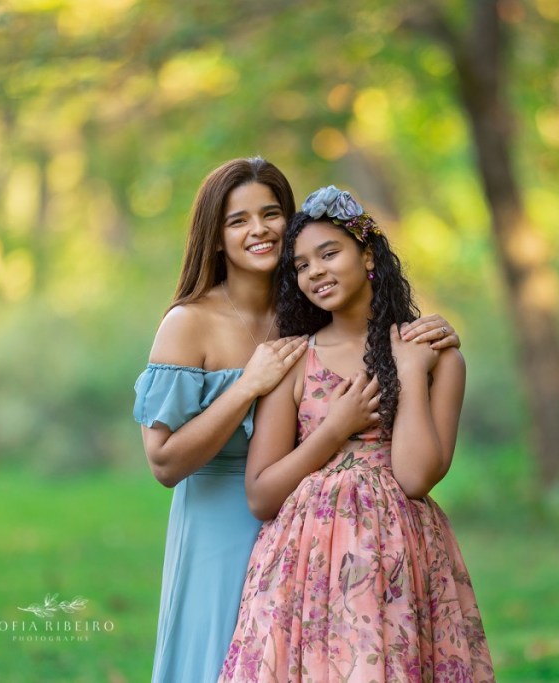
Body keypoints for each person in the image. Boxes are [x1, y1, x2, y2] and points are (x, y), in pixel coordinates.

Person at [132, 159, 462, 683]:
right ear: (214, 238)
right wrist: (247, 385)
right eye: (237, 220)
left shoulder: (306, 316)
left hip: (320, 535)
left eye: (270, 214)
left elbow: (364, 329)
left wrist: (429, 334)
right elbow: (164, 462)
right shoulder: (188, 322)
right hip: (222, 520)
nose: (258, 229)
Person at [218, 185, 494, 683]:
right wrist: (333, 430)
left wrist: (409, 372)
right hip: (303, 565)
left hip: (396, 560)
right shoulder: (293, 359)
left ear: (367, 255)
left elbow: (415, 478)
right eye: (301, 265)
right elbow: (261, 496)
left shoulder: (436, 355)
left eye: (329, 253)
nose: (316, 271)